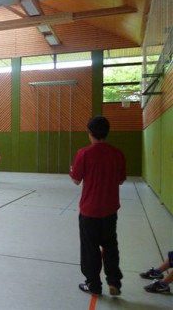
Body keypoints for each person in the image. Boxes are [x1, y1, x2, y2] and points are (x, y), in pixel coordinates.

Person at [70, 116, 126, 296]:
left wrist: (72, 170)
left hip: (89, 211)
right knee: (110, 246)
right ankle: (114, 282)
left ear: (90, 132)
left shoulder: (83, 153)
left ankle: (93, 284)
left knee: (90, 248)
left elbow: (76, 180)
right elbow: (121, 180)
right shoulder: (117, 153)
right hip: (109, 210)